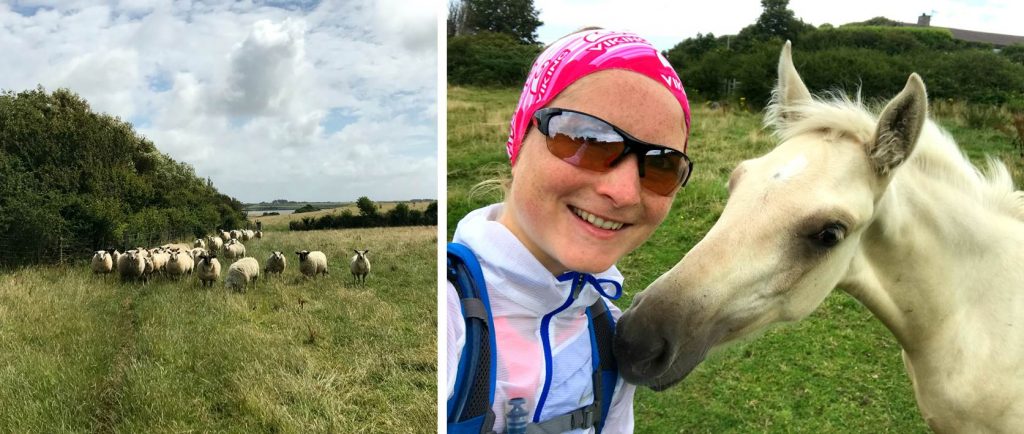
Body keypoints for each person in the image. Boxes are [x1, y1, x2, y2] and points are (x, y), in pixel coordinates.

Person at [447, 28, 693, 434]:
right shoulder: (450, 310)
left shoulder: (608, 335)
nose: (623, 192)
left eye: (663, 165)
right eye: (586, 138)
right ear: (519, 139)